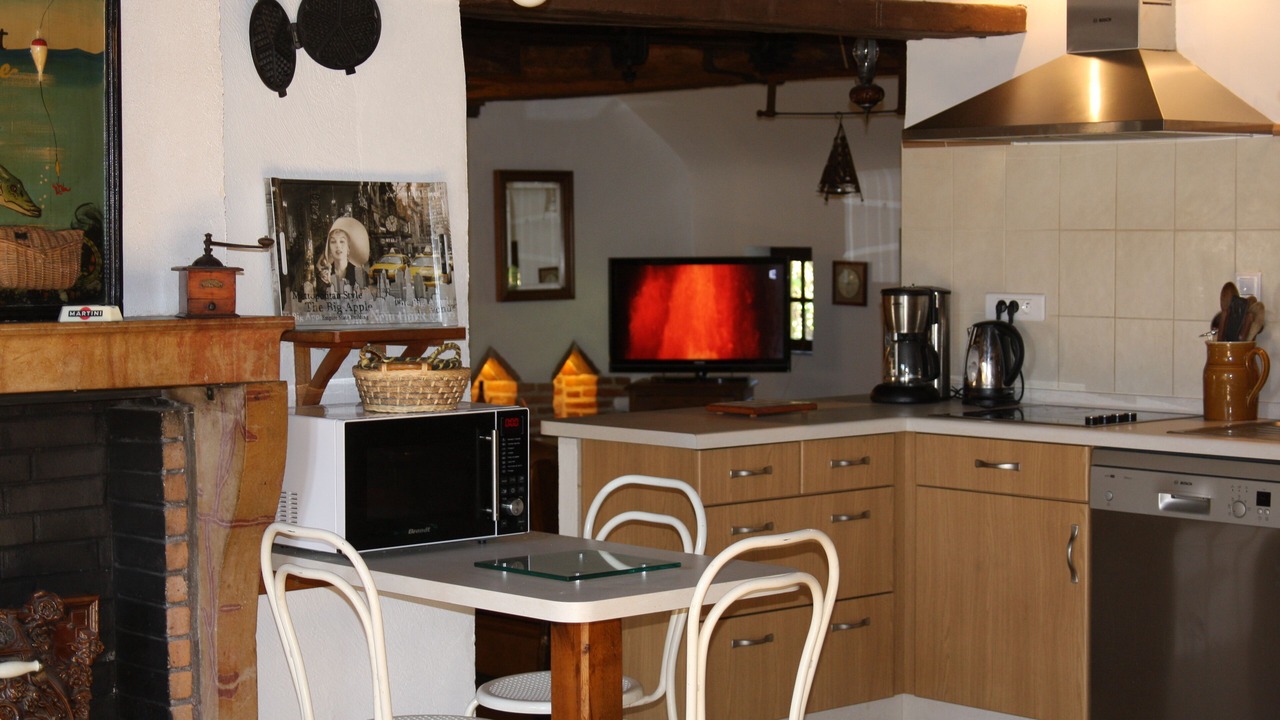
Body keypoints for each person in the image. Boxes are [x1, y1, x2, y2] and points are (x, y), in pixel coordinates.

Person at [316, 217, 370, 297]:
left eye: (342, 241)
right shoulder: (323, 277)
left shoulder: (361, 275)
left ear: (348, 248)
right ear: (329, 248)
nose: (338, 246)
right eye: (333, 242)